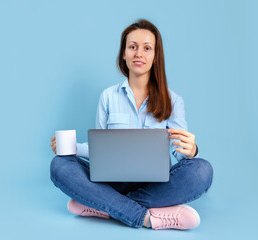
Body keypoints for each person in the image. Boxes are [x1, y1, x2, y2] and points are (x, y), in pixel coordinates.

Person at [50, 19, 213, 230]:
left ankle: (103, 205)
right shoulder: (108, 96)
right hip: (111, 181)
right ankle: (147, 217)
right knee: (59, 165)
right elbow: (100, 152)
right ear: (124, 54)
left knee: (203, 170)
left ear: (155, 57)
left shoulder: (173, 100)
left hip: (155, 184)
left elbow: (180, 155)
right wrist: (70, 149)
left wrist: (192, 151)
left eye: (147, 48)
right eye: (132, 47)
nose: (139, 54)